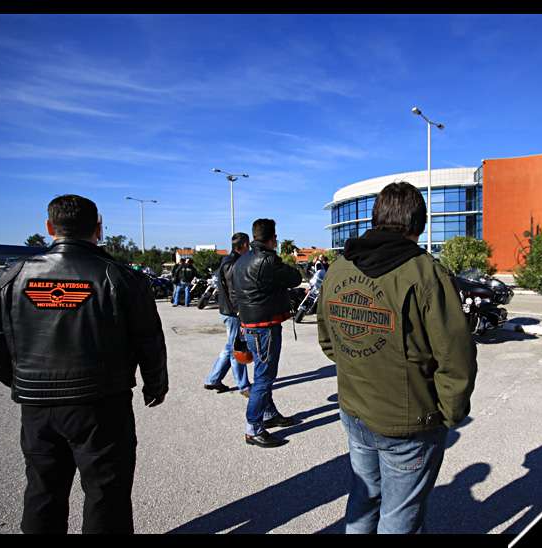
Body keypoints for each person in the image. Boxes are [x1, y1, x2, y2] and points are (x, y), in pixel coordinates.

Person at [0, 194, 168, 534]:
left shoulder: (9, 278)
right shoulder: (121, 278)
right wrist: (155, 384)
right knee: (106, 495)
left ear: (49, 228)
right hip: (103, 405)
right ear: (98, 229)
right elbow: (148, 341)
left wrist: (26, 382)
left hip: (38, 410)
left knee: (42, 490)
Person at [317, 182, 477, 534]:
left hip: (355, 409)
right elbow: (456, 358)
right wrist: (449, 414)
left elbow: (329, 342)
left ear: (376, 218)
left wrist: (361, 368)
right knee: (399, 517)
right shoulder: (426, 273)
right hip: (408, 421)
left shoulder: (340, 268)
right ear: (417, 226)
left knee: (363, 498)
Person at [231, 218, 302, 448]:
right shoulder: (268, 260)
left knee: (264, 374)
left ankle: (269, 414)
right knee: (264, 378)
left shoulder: (242, 260)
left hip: (250, 325)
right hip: (264, 327)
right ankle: (253, 428)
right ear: (273, 238)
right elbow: (295, 278)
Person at [204, 232, 252, 397]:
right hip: (233, 312)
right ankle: (244, 386)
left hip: (229, 310)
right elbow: (234, 291)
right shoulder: (232, 263)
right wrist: (240, 311)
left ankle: (213, 379)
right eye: (249, 244)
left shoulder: (228, 261)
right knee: (236, 349)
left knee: (230, 346)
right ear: (244, 245)